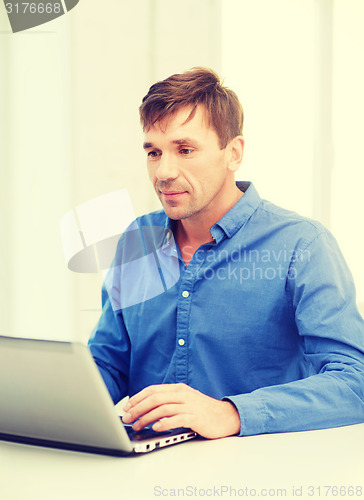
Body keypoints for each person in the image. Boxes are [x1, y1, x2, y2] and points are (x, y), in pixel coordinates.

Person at [88, 67, 364, 439]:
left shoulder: (302, 245)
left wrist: (231, 413)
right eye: (154, 152)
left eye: (185, 150)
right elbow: (109, 365)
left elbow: (354, 384)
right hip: (141, 472)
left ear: (233, 153)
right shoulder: (137, 240)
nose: (164, 171)